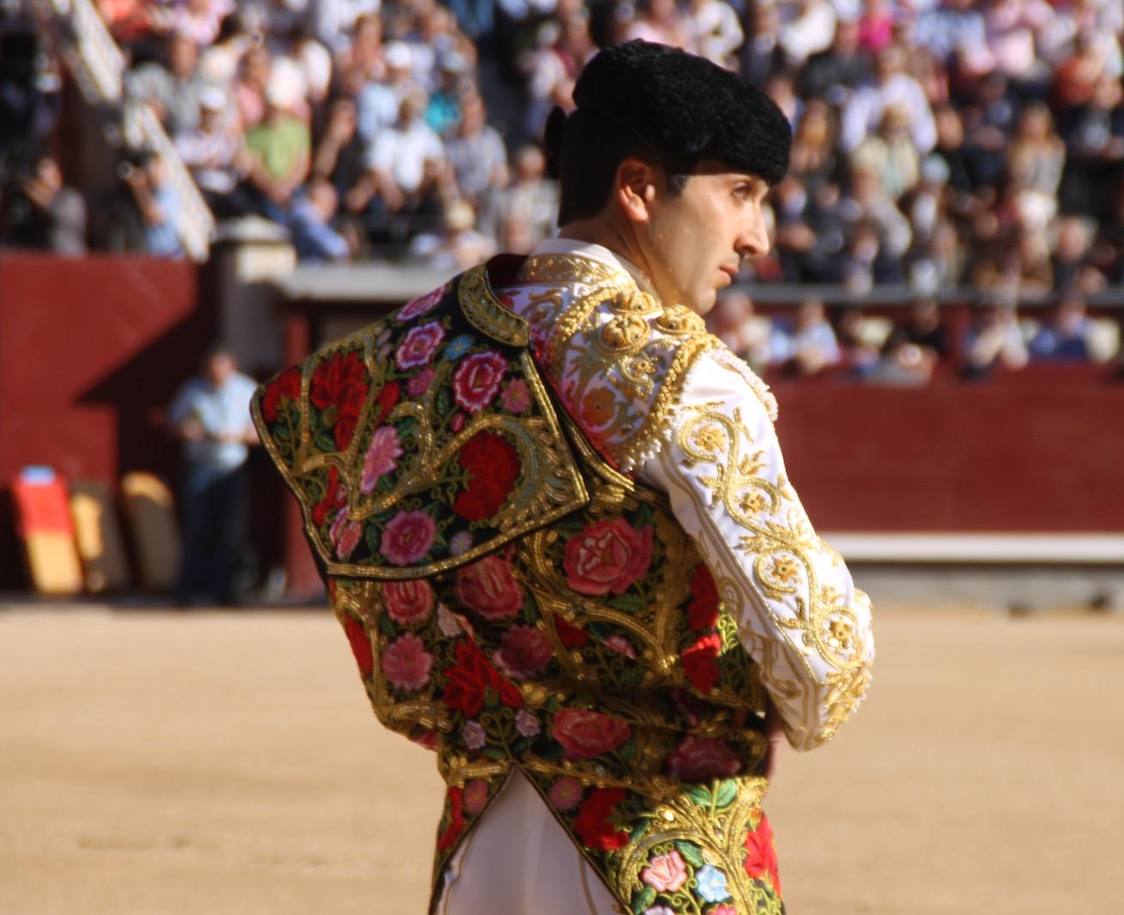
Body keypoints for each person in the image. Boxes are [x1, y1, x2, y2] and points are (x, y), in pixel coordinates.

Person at [251, 40, 875, 915]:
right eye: (739, 194)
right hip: (655, 845)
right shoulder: (679, 375)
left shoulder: (420, 350)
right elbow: (821, 669)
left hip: (481, 850)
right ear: (639, 188)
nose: (758, 236)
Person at [169, 345, 259, 606]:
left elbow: (262, 433)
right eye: (211, 369)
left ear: (231, 367)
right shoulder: (192, 391)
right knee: (196, 528)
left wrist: (235, 436)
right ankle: (186, 592)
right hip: (201, 466)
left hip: (233, 467)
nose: (216, 373)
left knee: (231, 532)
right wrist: (186, 430)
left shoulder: (245, 390)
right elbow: (174, 423)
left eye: (221, 368)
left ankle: (227, 593)